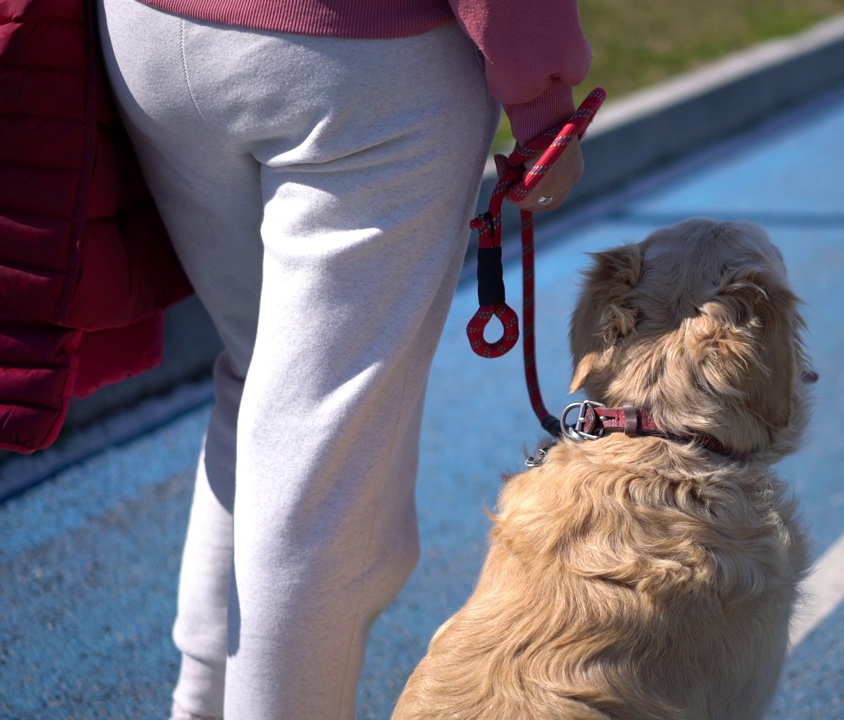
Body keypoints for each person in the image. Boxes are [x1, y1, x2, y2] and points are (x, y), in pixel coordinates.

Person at [96, 0, 591, 717]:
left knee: (258, 375)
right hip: (353, 61)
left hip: (149, 35)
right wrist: (544, 100)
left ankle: (201, 704)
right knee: (323, 462)